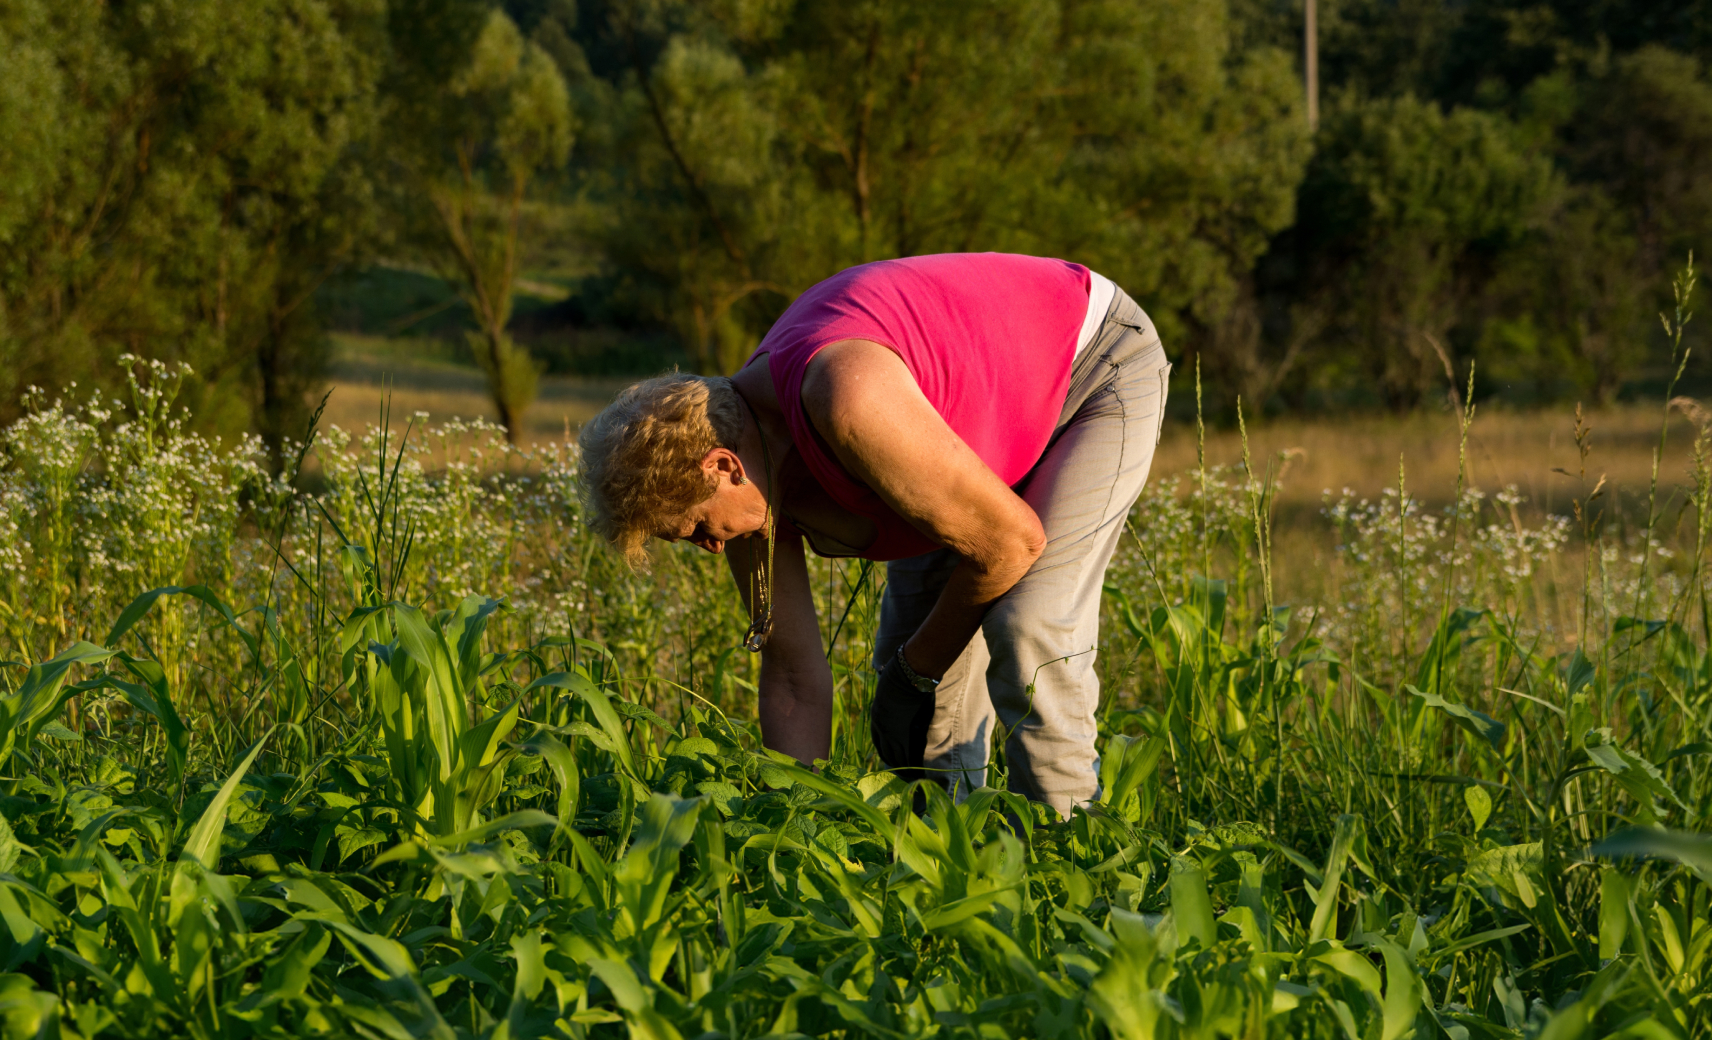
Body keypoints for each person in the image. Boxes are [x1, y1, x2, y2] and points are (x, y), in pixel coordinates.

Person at [578, 252, 1169, 818]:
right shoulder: (751, 475)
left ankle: (1067, 863)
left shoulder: (848, 400)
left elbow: (1009, 544)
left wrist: (914, 674)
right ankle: (947, 869)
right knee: (924, 685)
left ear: (722, 466)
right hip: (972, 420)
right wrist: (790, 827)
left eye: (696, 529)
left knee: (1028, 626)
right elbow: (791, 674)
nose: (710, 547)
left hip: (1089, 364)